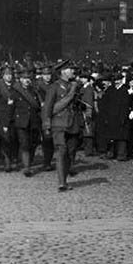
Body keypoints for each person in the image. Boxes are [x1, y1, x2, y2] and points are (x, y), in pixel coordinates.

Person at [42, 60, 85, 191]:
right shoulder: (54, 87)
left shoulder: (74, 86)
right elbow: (48, 108)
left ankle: (64, 180)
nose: (73, 72)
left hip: (73, 124)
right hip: (58, 123)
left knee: (70, 152)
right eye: (70, 69)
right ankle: (62, 183)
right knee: (61, 151)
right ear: (63, 72)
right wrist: (47, 125)